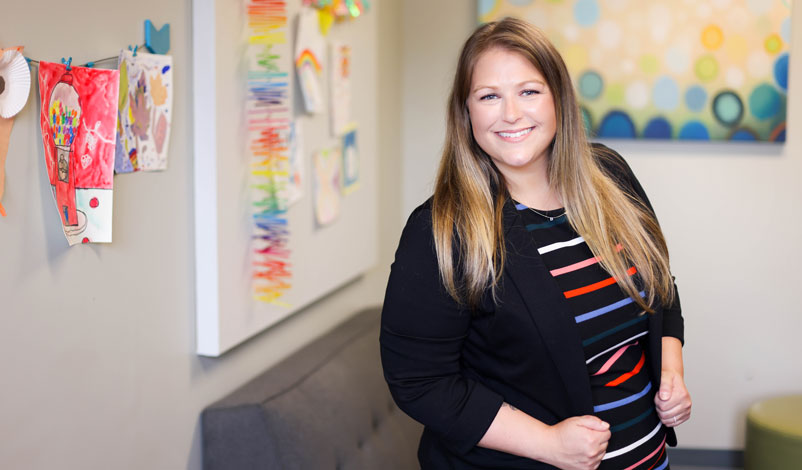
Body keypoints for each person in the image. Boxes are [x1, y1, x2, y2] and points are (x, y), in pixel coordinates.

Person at [380, 17, 691, 470]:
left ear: (558, 99)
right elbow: (419, 381)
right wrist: (547, 443)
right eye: (489, 96)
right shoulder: (441, 229)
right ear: (466, 113)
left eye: (528, 91)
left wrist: (671, 371)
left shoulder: (611, 176)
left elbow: (661, 288)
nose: (510, 113)